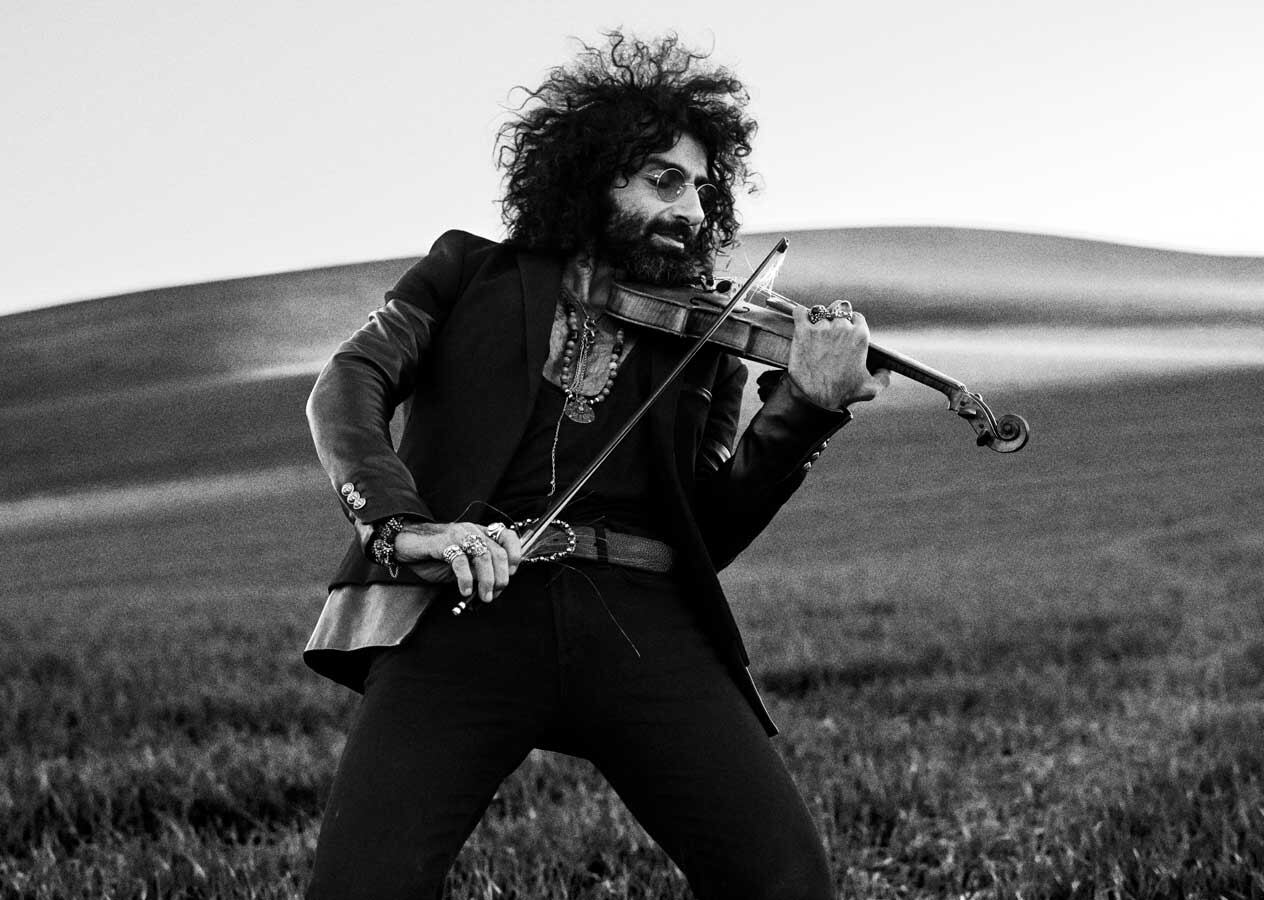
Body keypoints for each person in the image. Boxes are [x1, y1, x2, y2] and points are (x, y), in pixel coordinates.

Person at [302, 32, 889, 900]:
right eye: (663, 179)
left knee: (785, 882)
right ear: (588, 177)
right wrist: (401, 527)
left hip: (640, 620)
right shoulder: (466, 272)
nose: (691, 210)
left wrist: (803, 408)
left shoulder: (705, 339)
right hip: (462, 610)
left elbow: (709, 529)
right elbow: (349, 382)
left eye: (701, 188)